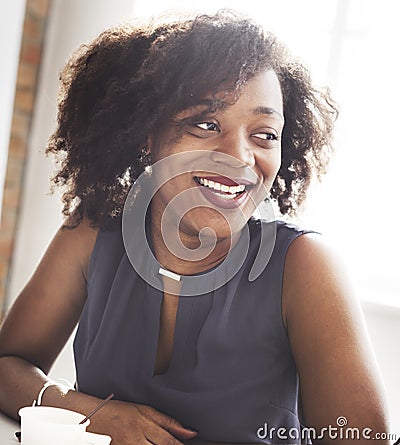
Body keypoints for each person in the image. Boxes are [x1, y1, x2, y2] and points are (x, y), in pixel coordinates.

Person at [0, 10, 390, 445]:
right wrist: (90, 414)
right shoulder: (95, 231)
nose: (240, 158)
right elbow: (6, 365)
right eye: (205, 124)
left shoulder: (303, 266)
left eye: (264, 134)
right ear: (146, 132)